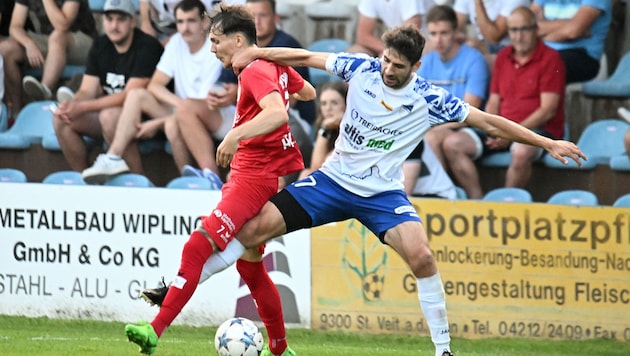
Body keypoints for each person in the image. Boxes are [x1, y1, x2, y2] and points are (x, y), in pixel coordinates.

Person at [140, 23, 586, 356]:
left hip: (383, 195)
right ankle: (182, 286)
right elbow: (307, 57)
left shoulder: (431, 98)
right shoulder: (362, 67)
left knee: (423, 257)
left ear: (416, 66)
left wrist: (547, 141)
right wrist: (257, 51)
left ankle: (444, 349)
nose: (387, 69)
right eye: (386, 61)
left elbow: (489, 120)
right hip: (332, 182)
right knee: (252, 233)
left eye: (397, 66)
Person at [124, 4, 316, 356]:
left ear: (238, 40)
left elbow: (276, 113)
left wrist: (234, 136)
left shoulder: (256, 70)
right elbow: (309, 94)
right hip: (259, 178)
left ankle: (155, 330)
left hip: (251, 180)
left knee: (196, 247)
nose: (212, 48)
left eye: (216, 41)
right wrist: (285, 89)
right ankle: (280, 349)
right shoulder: (271, 65)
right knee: (253, 271)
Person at [80, 0, 227, 186]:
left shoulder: (215, 48)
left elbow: (206, 103)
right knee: (137, 94)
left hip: (208, 114)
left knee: (173, 125)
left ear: (205, 23)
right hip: (182, 110)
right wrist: (178, 105)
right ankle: (113, 157)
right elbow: (154, 85)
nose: (185, 27)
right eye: (180, 22)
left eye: (191, 21)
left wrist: (159, 122)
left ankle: (199, 182)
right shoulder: (176, 42)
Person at [442, 6, 566, 199]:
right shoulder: (503, 57)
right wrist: (493, 128)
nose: (518, 36)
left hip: (536, 130)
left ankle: (506, 204)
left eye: (524, 29)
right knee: (452, 143)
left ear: (536, 29)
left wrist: (511, 133)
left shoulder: (551, 58)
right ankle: (478, 203)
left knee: (522, 151)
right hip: (502, 128)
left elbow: (547, 111)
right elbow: (493, 101)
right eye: (513, 30)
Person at [52, 0, 163, 172]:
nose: (114, 25)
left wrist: (81, 107)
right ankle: (85, 178)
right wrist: (71, 106)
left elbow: (128, 96)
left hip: (148, 118)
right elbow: (86, 90)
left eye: (121, 19)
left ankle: (138, 181)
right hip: (110, 114)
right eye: (109, 19)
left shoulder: (147, 47)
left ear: (133, 21)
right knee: (61, 119)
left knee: (110, 116)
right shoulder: (100, 45)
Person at [414, 4, 489, 167]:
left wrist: (430, 127)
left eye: (444, 33)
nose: (438, 40)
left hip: (466, 126)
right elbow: (414, 105)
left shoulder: (474, 60)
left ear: (456, 32)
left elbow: (469, 111)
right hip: (435, 125)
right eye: (433, 34)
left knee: (431, 137)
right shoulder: (425, 62)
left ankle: (443, 191)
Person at [0, 0, 97, 114]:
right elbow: (15, 27)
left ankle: (44, 90)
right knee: (6, 49)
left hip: (83, 42)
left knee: (57, 37)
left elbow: (62, 25)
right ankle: (16, 113)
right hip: (50, 41)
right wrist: (29, 44)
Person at [530, 0, 612, 84]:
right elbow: (525, 23)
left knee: (544, 70)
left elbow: (573, 32)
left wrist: (540, 32)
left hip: (581, 55)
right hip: (545, 52)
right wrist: (570, 25)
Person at [453, 0, 531, 67]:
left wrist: (478, 2)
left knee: (472, 50)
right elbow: (453, 27)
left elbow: (494, 37)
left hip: (513, 51)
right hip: (485, 48)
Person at [298, 80, 347, 180]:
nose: (328, 108)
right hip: (329, 180)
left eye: (334, 103)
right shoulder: (325, 126)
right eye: (324, 103)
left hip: (346, 183)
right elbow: (314, 168)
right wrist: (325, 129)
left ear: (346, 105)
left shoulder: (352, 131)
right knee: (306, 173)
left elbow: (319, 168)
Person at [348, 0, 424, 57]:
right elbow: (362, 37)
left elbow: (411, 36)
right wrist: (386, 48)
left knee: (388, 59)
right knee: (353, 54)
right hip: (394, 43)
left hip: (424, 44)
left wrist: (389, 51)